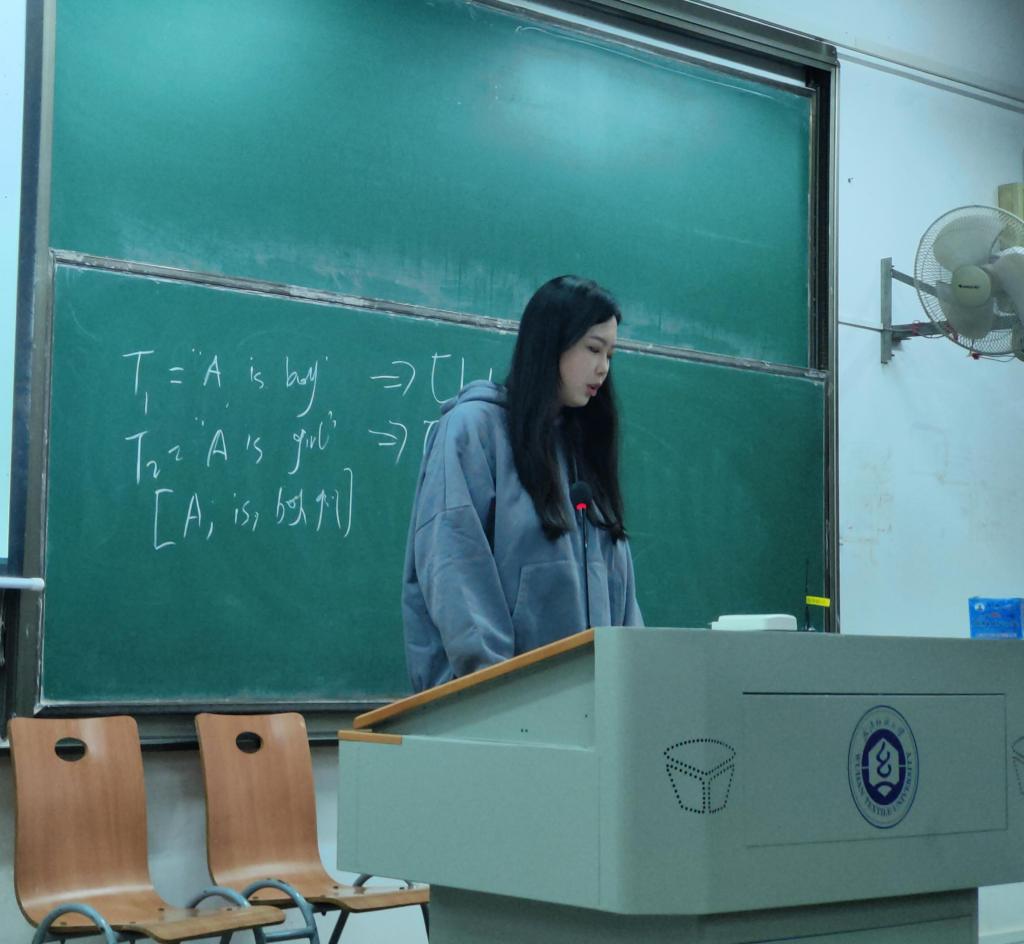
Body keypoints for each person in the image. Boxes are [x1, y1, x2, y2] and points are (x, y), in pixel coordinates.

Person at [402, 275, 643, 692]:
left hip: (592, 702)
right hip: (496, 703)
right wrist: (498, 686)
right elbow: (455, 565)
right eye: (593, 349)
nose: (603, 368)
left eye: (610, 354)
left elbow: (620, 590)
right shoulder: (473, 431)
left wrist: (632, 681)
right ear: (551, 343)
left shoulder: (583, 447)